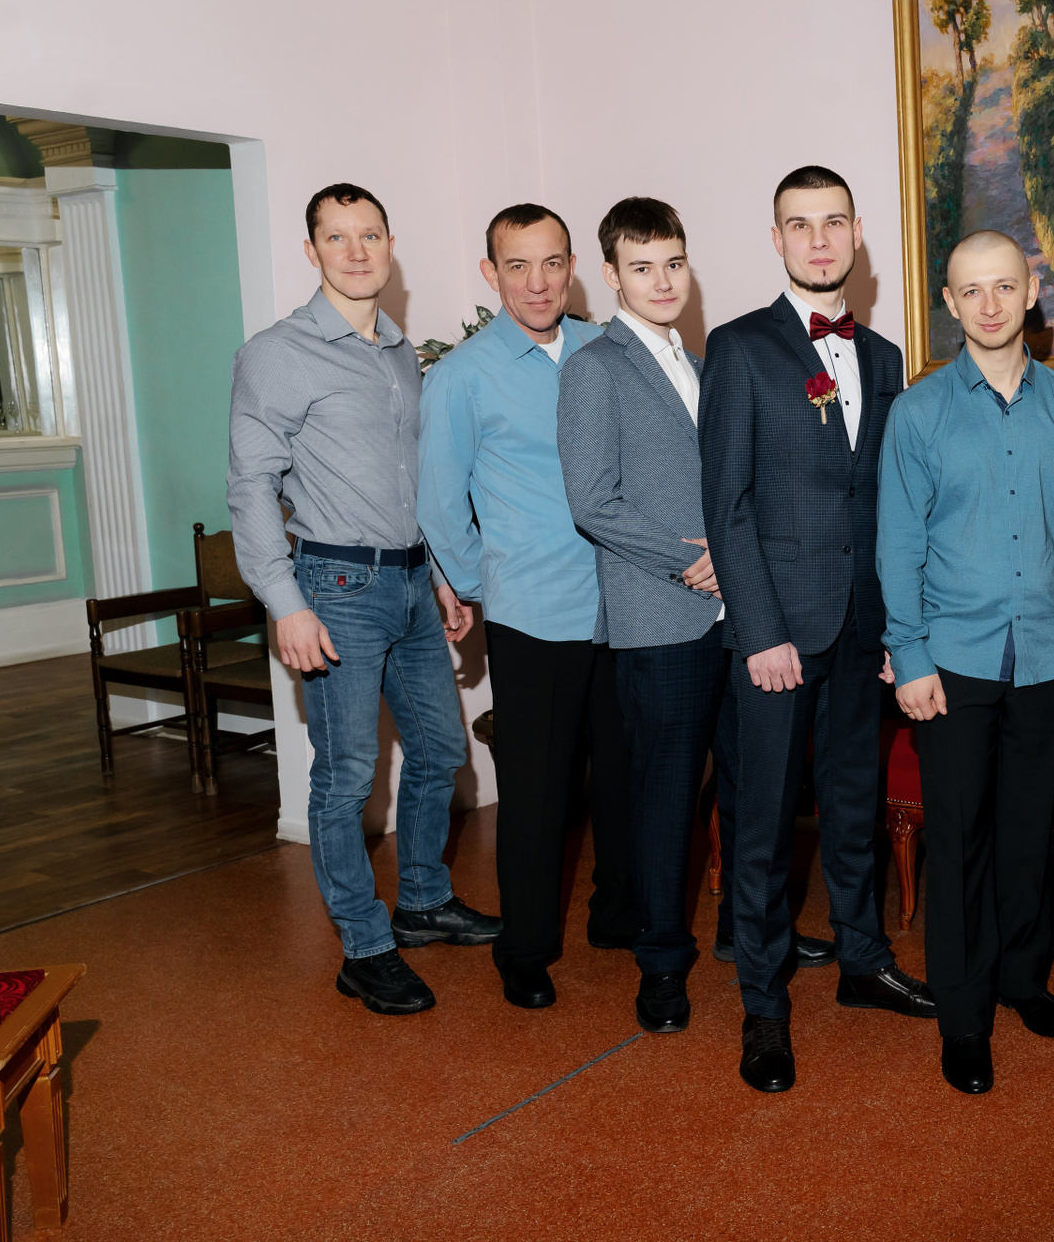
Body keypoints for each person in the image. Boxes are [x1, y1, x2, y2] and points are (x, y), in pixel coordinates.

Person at [227, 183, 499, 1017]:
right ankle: (364, 945)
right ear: (311, 251)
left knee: (440, 751)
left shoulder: (399, 352)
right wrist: (286, 603)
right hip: (334, 587)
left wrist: (443, 573)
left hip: (413, 580)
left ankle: (422, 901)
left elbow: (418, 480)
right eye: (337, 237)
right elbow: (250, 485)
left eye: (370, 235)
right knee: (346, 778)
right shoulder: (278, 353)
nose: (355, 252)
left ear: (389, 246)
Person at [699, 165, 935, 1094]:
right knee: (763, 825)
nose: (820, 239)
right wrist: (759, 632)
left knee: (854, 807)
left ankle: (863, 962)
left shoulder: (882, 355)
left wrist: (892, 626)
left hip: (859, 627)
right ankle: (764, 1006)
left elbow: (881, 500)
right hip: (776, 635)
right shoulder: (739, 347)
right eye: (800, 225)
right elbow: (726, 504)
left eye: (834, 222)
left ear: (857, 232)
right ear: (777, 239)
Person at [877, 230, 1054, 1095]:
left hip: (1045, 653)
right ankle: (964, 1016)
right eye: (971, 290)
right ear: (950, 301)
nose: (990, 304)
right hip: (953, 660)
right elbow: (899, 544)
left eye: (1004, 286)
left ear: (1030, 289)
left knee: (1026, 833)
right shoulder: (920, 412)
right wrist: (910, 655)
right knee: (961, 839)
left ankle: (1021, 980)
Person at [418, 203, 634, 1011]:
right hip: (535, 613)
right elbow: (439, 501)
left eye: (551, 263)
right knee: (539, 795)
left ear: (573, 266)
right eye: (517, 265)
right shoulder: (463, 375)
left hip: (623, 605)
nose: (537, 282)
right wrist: (483, 581)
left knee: (625, 777)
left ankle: (617, 915)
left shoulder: (604, 348)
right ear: (491, 273)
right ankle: (527, 949)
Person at [555, 195, 745, 1034]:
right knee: (666, 799)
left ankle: (745, 929)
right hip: (659, 618)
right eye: (642, 268)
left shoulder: (702, 365)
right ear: (611, 275)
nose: (662, 281)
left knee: (748, 786)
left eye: (673, 263)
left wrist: (735, 561)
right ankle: (662, 962)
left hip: (735, 619)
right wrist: (688, 559)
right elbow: (592, 502)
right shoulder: (594, 368)